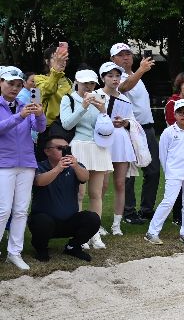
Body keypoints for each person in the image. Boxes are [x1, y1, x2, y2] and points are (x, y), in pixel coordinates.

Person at [1, 65, 48, 271]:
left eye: (18, 85)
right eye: (10, 83)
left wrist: (39, 114)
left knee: (21, 210)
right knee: (3, 210)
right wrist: (19, 116)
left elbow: (40, 128)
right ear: (1, 83)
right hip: (4, 163)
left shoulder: (25, 103)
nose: (14, 88)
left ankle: (15, 252)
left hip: (27, 163)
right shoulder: (18, 109)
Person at [29, 134, 101, 263]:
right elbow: (39, 181)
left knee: (93, 218)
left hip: (69, 221)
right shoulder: (39, 166)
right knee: (41, 221)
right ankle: (41, 249)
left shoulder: (75, 166)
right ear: (47, 151)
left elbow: (85, 177)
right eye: (60, 148)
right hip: (45, 221)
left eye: (67, 148)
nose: (64, 151)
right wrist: (58, 168)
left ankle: (73, 247)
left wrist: (76, 166)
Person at [59, 68, 110, 248]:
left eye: (92, 83)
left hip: (98, 147)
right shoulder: (68, 98)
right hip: (78, 146)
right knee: (79, 194)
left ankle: (94, 233)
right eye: (85, 83)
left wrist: (103, 111)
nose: (88, 86)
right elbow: (67, 124)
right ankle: (80, 234)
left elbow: (103, 126)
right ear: (77, 82)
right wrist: (83, 106)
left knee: (96, 193)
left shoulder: (101, 98)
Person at [145, 100, 184, 247]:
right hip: (174, 173)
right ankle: (152, 232)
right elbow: (163, 155)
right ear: (175, 114)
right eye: (180, 112)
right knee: (168, 202)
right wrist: (169, 172)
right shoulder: (168, 132)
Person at [111, 42, 158, 225]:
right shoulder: (115, 77)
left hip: (147, 128)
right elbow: (123, 88)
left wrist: (139, 72)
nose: (125, 57)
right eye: (121, 55)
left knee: (153, 171)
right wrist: (141, 70)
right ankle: (128, 212)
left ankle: (146, 209)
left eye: (128, 54)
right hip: (129, 129)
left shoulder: (136, 75)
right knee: (128, 173)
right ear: (113, 59)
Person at [96, 62, 140, 239]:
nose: (115, 79)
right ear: (103, 78)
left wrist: (125, 122)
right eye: (110, 76)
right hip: (104, 141)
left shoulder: (125, 98)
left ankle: (116, 224)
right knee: (102, 184)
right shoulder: (97, 95)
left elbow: (132, 120)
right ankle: (97, 223)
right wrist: (107, 122)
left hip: (121, 141)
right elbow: (92, 120)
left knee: (121, 184)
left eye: (117, 76)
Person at [33, 42, 73, 134]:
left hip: (67, 126)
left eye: (64, 58)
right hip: (48, 128)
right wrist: (56, 70)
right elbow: (47, 91)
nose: (61, 61)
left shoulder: (69, 81)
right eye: (56, 58)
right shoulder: (38, 79)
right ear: (47, 61)